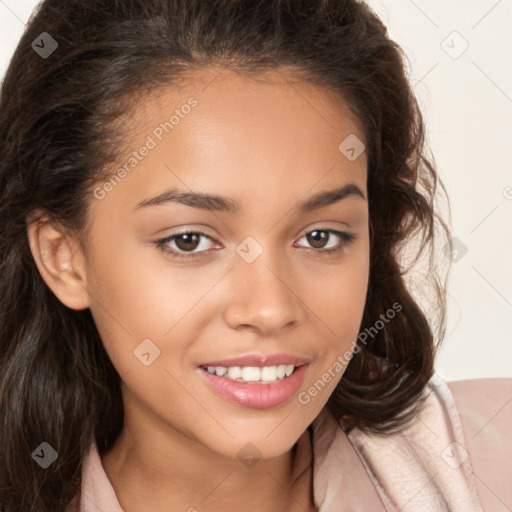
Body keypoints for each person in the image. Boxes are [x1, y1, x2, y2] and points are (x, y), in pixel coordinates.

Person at [0, 0, 510, 511]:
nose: (270, 308)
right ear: (64, 256)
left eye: (319, 236)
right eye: (189, 241)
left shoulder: (492, 460)